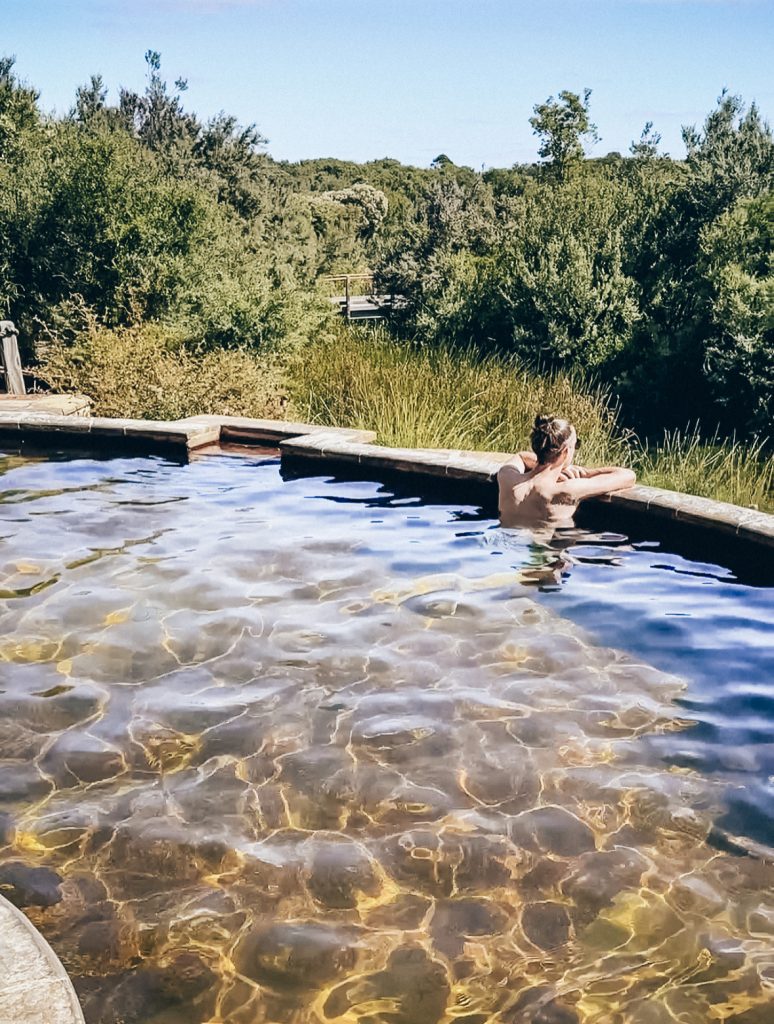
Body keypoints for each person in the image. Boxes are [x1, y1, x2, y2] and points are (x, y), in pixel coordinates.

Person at [498, 414, 636, 528]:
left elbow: (521, 456)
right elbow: (628, 476)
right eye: (576, 445)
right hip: (539, 557)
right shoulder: (566, 490)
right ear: (565, 451)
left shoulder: (507, 478)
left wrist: (550, 465)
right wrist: (584, 473)